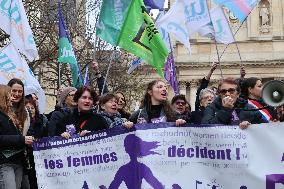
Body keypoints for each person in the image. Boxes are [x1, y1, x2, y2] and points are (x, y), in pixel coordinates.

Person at [0, 85, 33, 189]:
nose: (13, 97)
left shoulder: (12, 114)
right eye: (10, 94)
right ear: (3, 97)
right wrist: (22, 139)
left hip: (18, 161)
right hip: (5, 162)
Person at [202, 77, 268, 129]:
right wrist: (225, 110)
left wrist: (250, 126)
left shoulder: (248, 107)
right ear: (219, 94)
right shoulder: (211, 108)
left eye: (231, 91)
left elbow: (265, 126)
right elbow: (206, 129)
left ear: (238, 94)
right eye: (223, 91)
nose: (227, 94)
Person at [24, 96, 48, 189]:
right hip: (27, 160)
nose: (30, 111)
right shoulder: (21, 123)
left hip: (40, 160)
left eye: (32, 108)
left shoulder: (43, 121)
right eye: (27, 108)